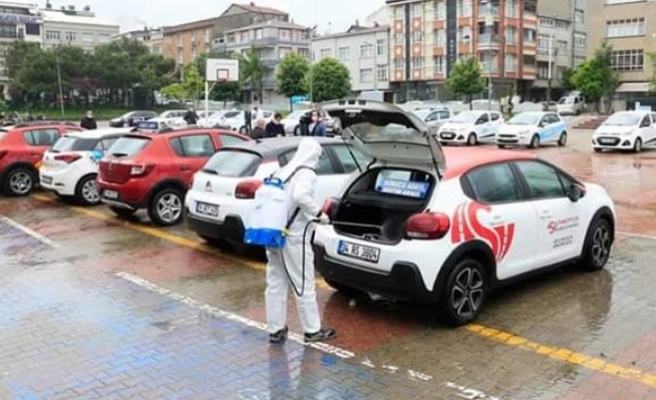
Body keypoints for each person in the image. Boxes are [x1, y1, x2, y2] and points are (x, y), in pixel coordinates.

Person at [265, 138, 336, 344]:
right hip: (295, 236)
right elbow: (301, 195)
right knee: (303, 282)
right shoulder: (306, 173)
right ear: (314, 154)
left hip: (274, 233)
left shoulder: (284, 170)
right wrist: (318, 214)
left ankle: (275, 329)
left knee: (276, 282)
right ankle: (312, 330)